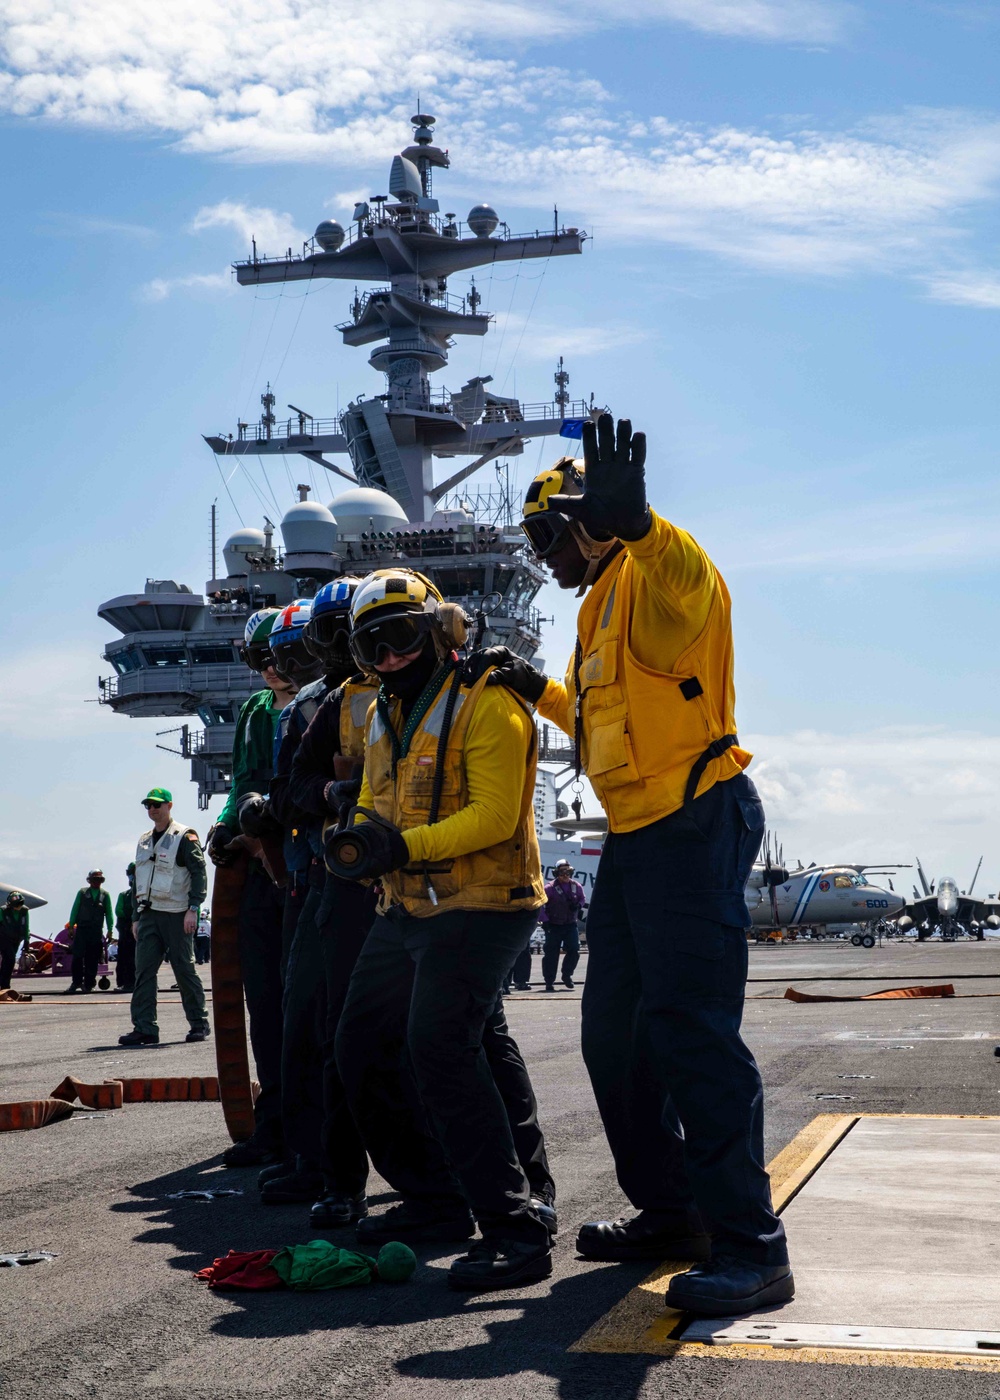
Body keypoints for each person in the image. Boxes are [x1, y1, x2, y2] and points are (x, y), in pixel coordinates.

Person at [471, 414, 791, 1317]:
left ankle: (752, 1250)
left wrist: (642, 522)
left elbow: (686, 569)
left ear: (594, 520)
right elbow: (604, 722)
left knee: (694, 1035)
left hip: (695, 819)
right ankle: (675, 1210)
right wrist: (534, 686)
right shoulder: (596, 608)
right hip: (639, 838)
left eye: (548, 535)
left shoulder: (658, 576)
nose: (542, 556)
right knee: (616, 1038)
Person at [329, 569, 553, 1291]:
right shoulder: (382, 715)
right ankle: (435, 1200)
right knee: (360, 1041)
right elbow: (371, 799)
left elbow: (495, 815)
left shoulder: (490, 705)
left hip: (484, 903)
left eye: (399, 638)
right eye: (372, 649)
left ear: (440, 631)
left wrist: (404, 848)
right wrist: (362, 841)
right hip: (407, 905)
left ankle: (515, 1231)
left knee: (441, 1046)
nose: (389, 659)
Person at [207, 608, 298, 1167]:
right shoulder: (255, 712)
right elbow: (243, 782)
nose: (269, 669)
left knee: (314, 1008)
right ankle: (277, 1124)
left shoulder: (327, 703)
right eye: (259, 659)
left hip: (315, 871)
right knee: (265, 1002)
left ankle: (323, 1133)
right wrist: (228, 821)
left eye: (279, 656)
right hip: (265, 874)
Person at [119, 789, 210, 1046]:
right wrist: (136, 916)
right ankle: (145, 1028)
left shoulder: (184, 836)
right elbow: (139, 879)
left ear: (169, 805)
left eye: (157, 805)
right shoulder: (144, 839)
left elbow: (198, 873)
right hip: (149, 914)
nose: (152, 809)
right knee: (144, 971)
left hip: (177, 913)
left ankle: (199, 1023)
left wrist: (193, 909)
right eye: (148, 805)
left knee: (184, 969)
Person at [540, 858, 586, 992]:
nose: (565, 875)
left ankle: (567, 975)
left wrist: (578, 905)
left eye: (568, 872)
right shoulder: (549, 888)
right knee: (551, 954)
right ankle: (549, 981)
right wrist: (545, 920)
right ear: (556, 874)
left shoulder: (576, 886)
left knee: (574, 950)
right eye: (562, 873)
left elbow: (582, 899)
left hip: (570, 925)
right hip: (553, 925)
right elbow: (540, 905)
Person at [66, 871, 113, 993]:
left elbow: (109, 913)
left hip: (96, 931)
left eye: (99, 879)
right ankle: (76, 983)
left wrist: (110, 929)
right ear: (90, 880)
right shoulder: (82, 893)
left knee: (92, 959)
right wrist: (71, 925)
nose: (96, 882)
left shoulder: (105, 895)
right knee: (77, 957)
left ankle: (88, 984)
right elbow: (75, 908)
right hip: (82, 929)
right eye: (94, 879)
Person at [114, 864, 137, 992]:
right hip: (126, 931)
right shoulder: (124, 895)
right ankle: (124, 983)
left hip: (141, 929)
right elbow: (119, 911)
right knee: (125, 957)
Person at [0, 892, 30, 990]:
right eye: (17, 904)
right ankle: (5, 985)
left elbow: (26, 926)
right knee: (10, 959)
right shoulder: (3, 911)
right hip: (4, 939)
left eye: (20, 903)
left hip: (16, 940)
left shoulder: (24, 911)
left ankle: (4, 985)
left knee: (8, 962)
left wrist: (26, 940)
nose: (19, 906)